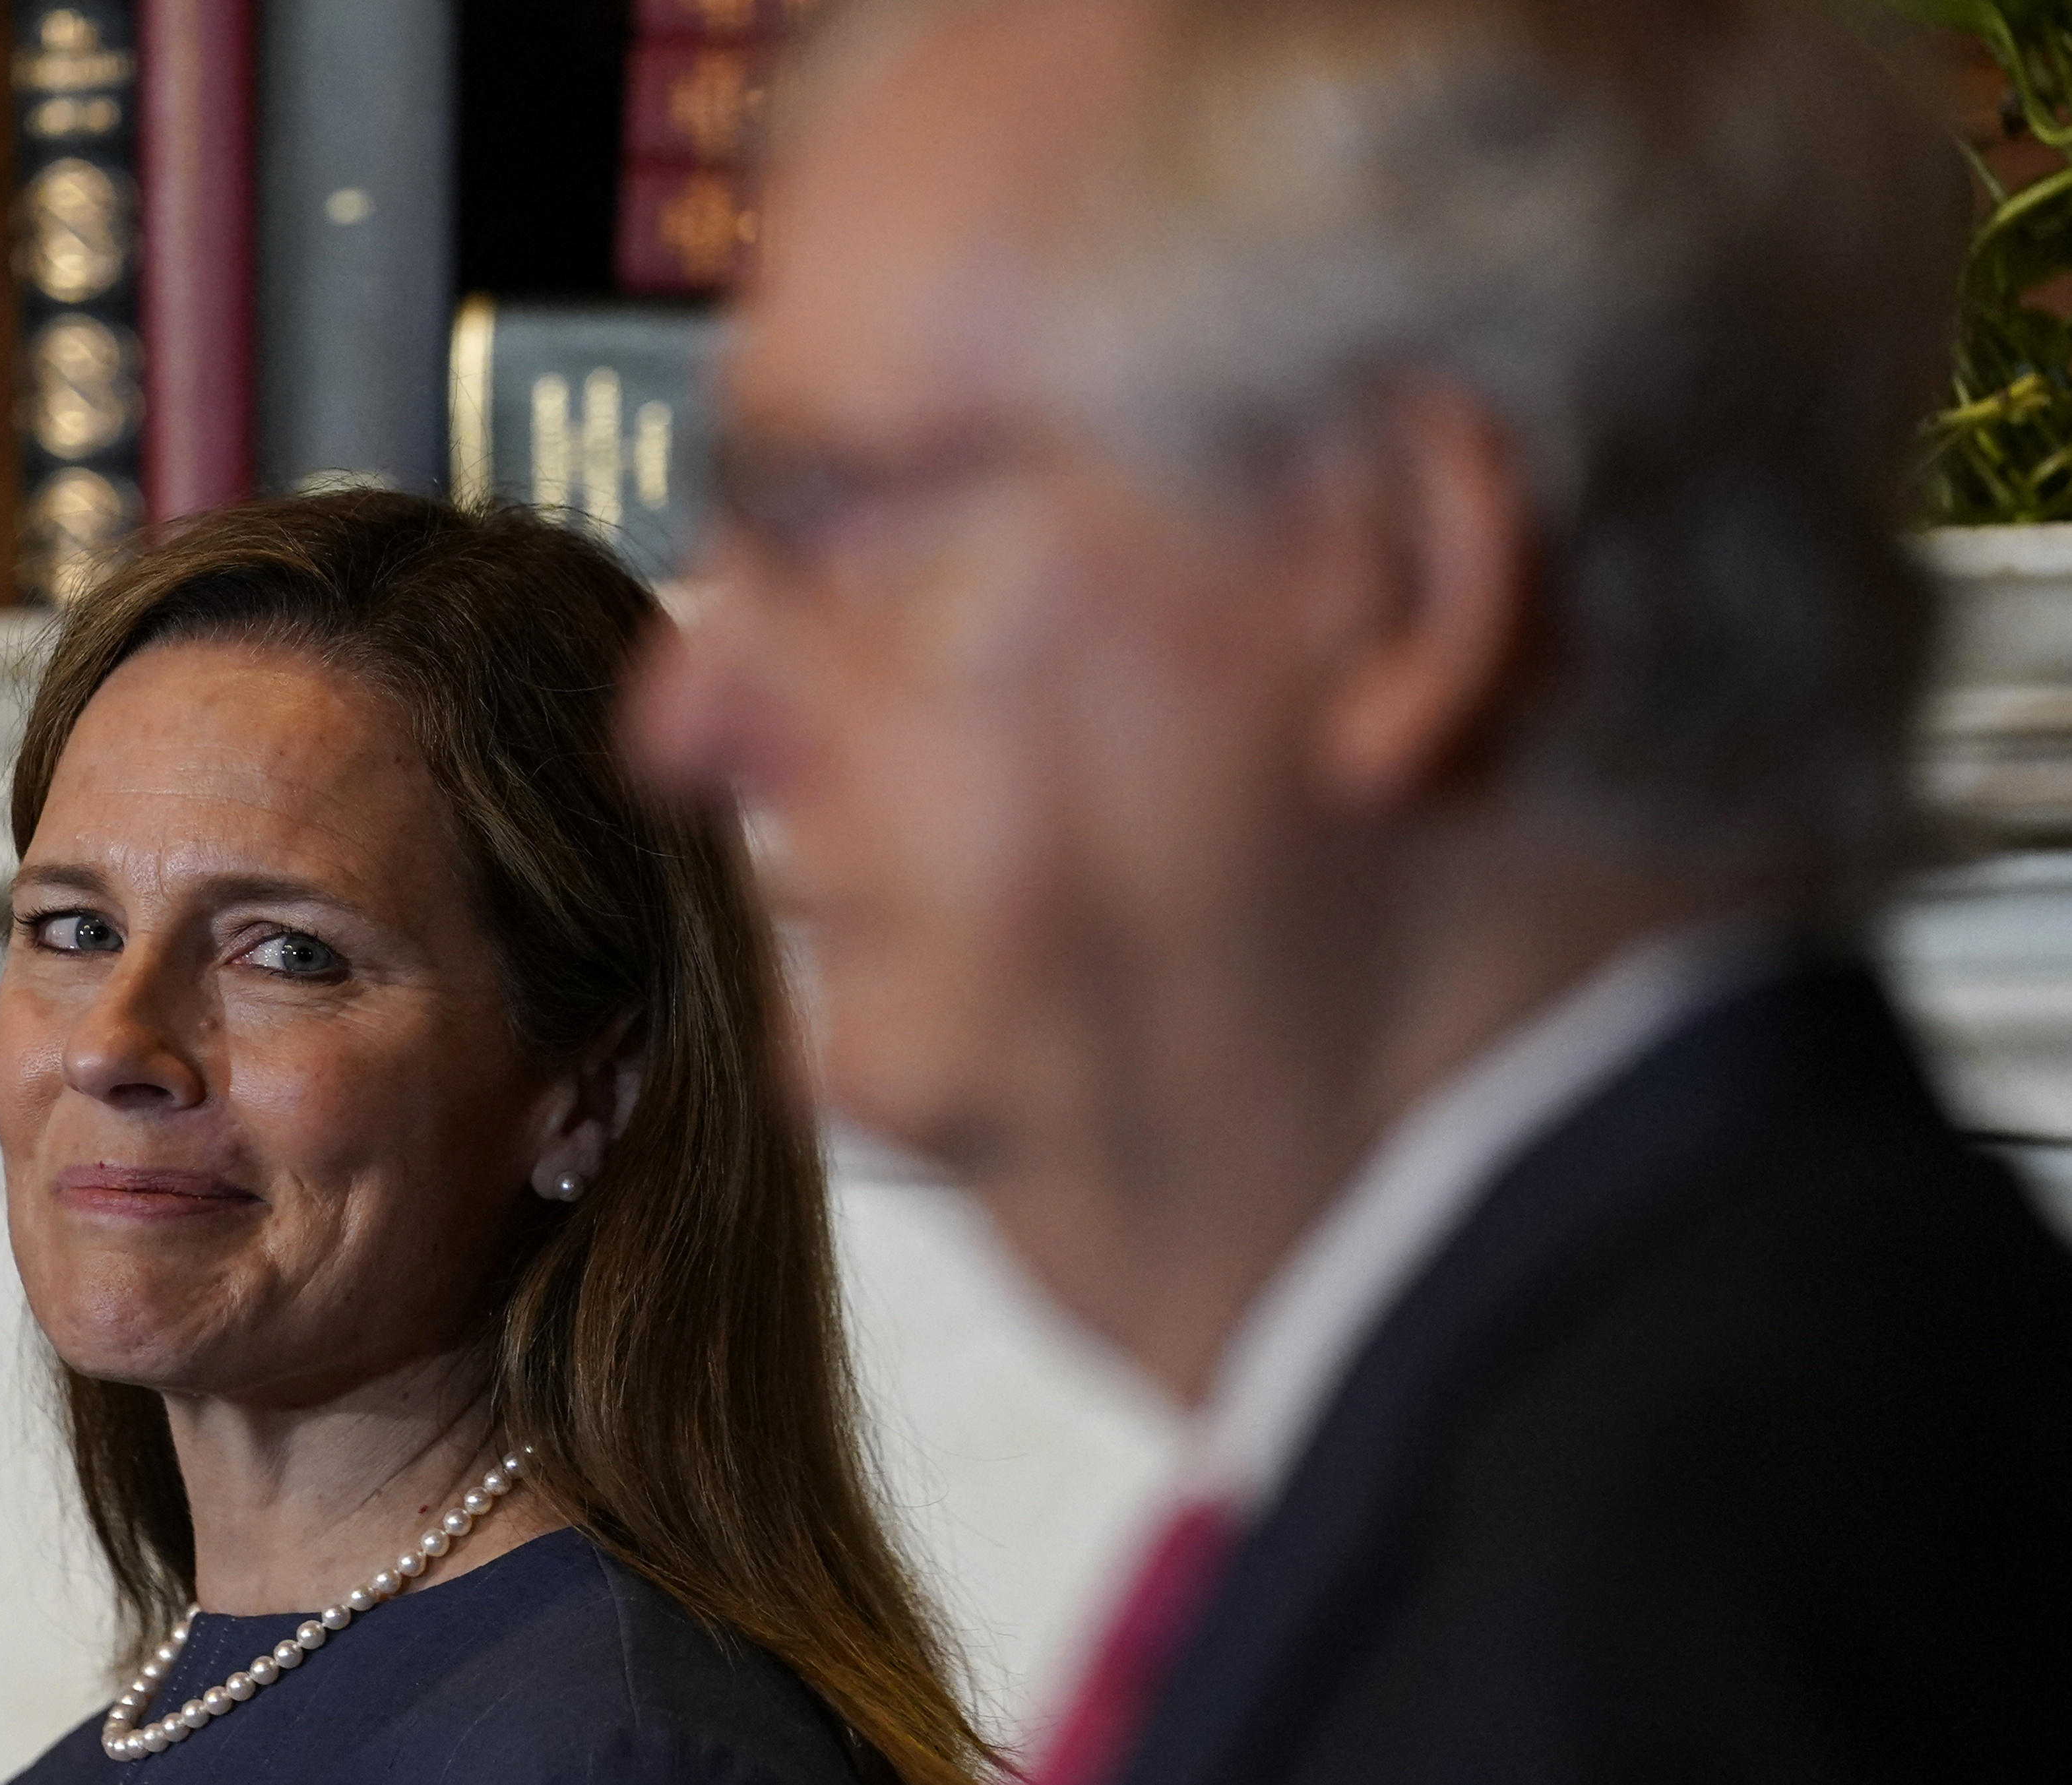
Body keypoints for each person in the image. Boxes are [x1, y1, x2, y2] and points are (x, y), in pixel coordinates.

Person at [633, 0, 2072, 1779]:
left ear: (1396, 577)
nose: (688, 710)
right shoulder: (1591, 1435)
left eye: (831, 510)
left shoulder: (1674, 1614)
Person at [0, 491, 995, 1784]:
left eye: (288, 954)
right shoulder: (110, 1753)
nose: (112, 1047)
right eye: (75, 930)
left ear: (591, 1089)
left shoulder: (622, 1752)